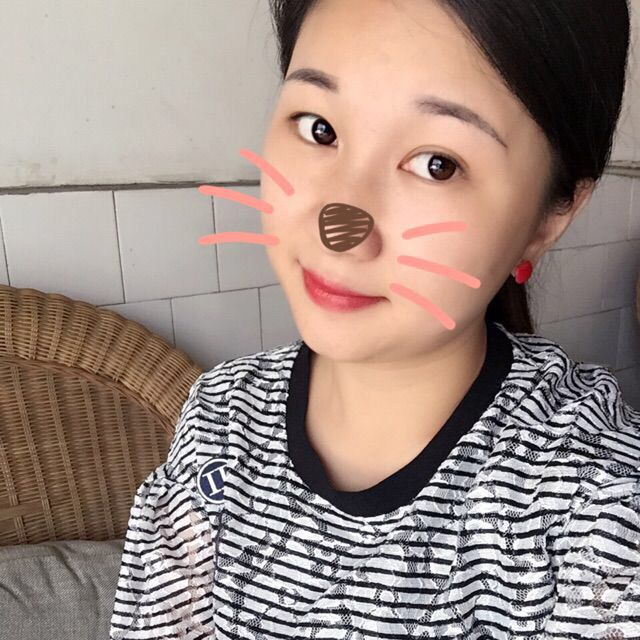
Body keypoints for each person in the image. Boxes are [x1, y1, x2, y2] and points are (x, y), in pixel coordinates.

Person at [109, 1, 640, 638]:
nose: (339, 227)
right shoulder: (217, 422)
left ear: (551, 217)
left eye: (437, 163)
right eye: (319, 129)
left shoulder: (595, 506)